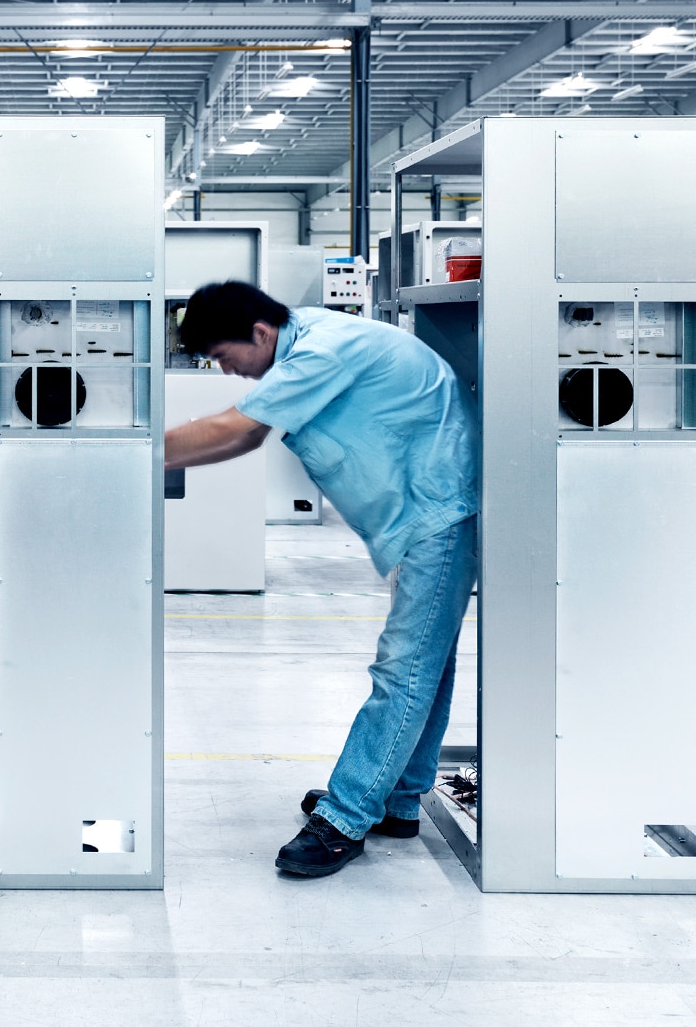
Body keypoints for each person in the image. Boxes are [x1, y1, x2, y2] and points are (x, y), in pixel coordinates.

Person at [164, 280, 479, 879]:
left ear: (260, 332)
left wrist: (134, 453)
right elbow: (247, 434)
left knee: (405, 670)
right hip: (423, 511)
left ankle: (346, 817)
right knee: (426, 667)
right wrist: (166, 457)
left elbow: (233, 426)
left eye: (225, 357)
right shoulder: (306, 339)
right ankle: (397, 800)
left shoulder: (323, 349)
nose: (227, 372)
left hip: (437, 511)